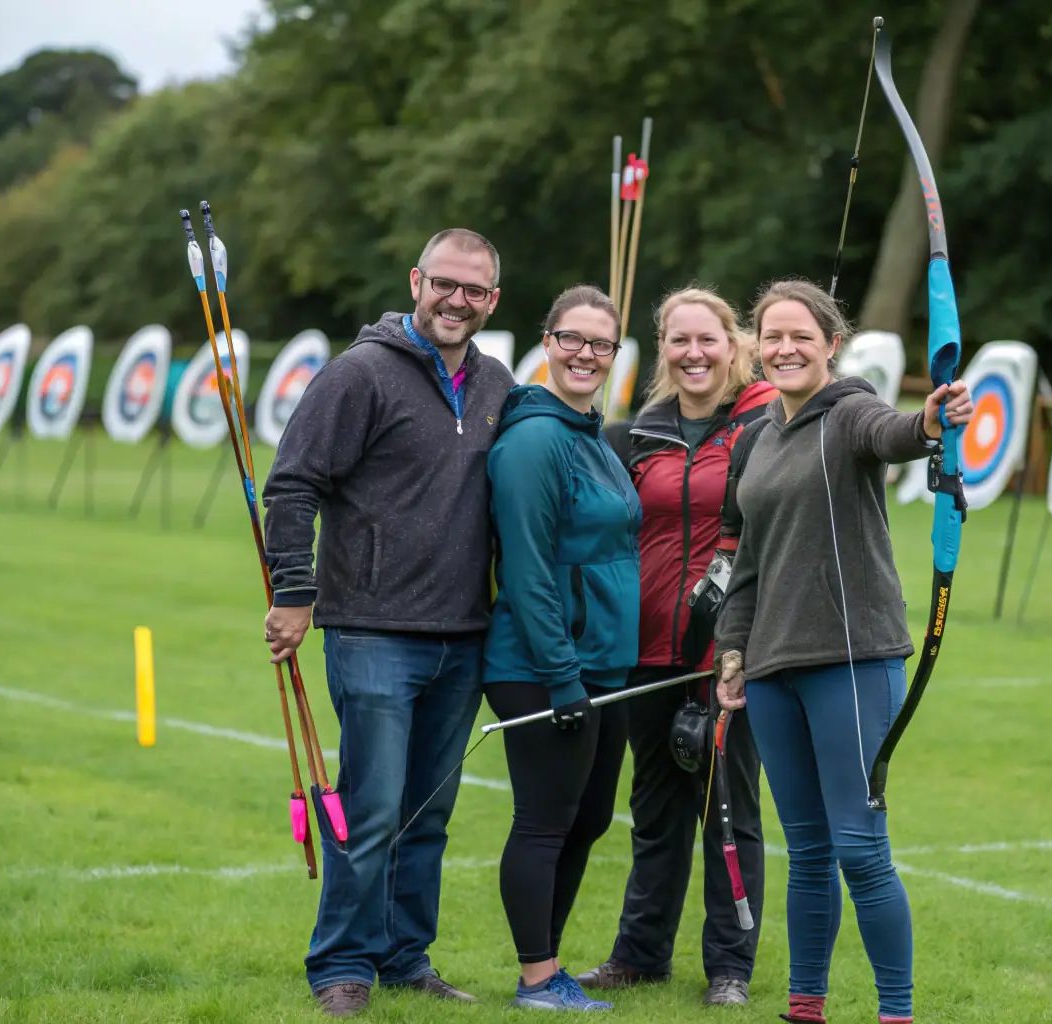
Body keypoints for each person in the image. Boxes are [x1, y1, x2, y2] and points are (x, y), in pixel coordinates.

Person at [261, 228, 515, 1018]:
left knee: (427, 815)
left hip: (463, 633)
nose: (457, 300)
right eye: (445, 283)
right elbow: (292, 486)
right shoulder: (359, 373)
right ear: (416, 281)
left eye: (474, 290)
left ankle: (406, 957)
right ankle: (341, 966)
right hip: (371, 628)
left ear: (492, 300)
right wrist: (295, 593)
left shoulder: (497, 382)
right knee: (368, 807)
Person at [712, 279, 974, 1024]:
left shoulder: (850, 410)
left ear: (831, 343)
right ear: (754, 348)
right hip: (769, 672)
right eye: (771, 335)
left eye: (801, 335)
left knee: (859, 849)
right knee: (807, 853)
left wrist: (928, 421)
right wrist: (732, 650)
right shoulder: (757, 436)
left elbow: (892, 434)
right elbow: (746, 559)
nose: (784, 347)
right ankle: (805, 1008)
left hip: (851, 664)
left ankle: (896, 1012)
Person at [578, 287, 776, 1006]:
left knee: (728, 809)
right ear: (662, 349)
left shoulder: (765, 423)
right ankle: (639, 954)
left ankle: (729, 966)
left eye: (708, 339)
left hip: (727, 651)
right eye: (678, 341)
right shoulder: (635, 435)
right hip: (648, 648)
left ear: (733, 343)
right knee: (655, 809)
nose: (694, 353)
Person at [482, 284, 642, 1012]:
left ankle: (547, 970)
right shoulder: (536, 439)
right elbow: (528, 567)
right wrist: (560, 673)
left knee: (588, 818)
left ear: (614, 354)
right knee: (546, 820)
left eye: (600, 344)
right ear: (547, 342)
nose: (584, 353)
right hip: (544, 665)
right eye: (571, 338)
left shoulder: (589, 433)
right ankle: (538, 979)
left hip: (600, 662)